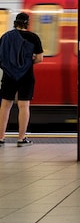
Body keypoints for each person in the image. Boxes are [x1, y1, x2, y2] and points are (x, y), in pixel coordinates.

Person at [0, 12, 43, 147]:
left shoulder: (5, 37)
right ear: (27, 23)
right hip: (26, 76)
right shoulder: (33, 37)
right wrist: (27, 63)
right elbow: (40, 58)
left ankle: (0, 138)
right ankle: (21, 138)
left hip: (8, 75)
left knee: (5, 106)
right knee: (24, 106)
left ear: (15, 22)